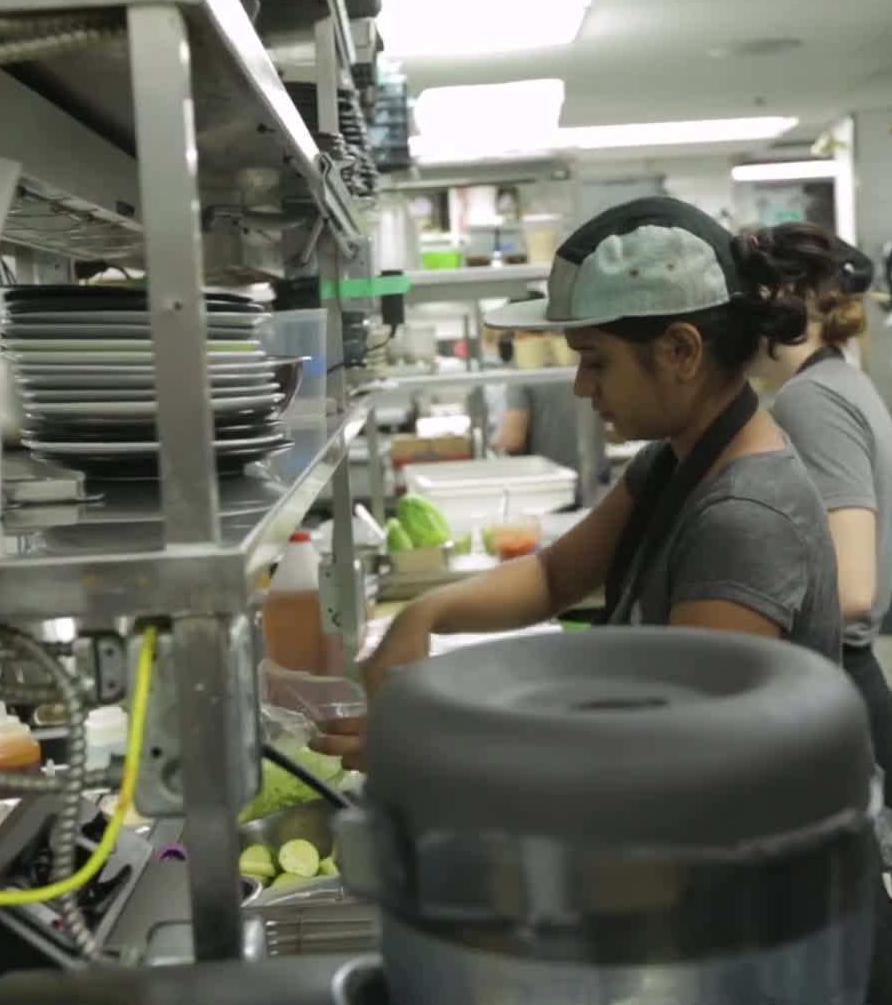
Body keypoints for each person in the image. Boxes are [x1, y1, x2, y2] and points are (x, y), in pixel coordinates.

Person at [316, 195, 844, 733]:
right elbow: (553, 576)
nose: (581, 385)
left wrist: (437, 749)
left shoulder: (746, 517)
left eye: (596, 360)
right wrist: (423, 614)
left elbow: (686, 746)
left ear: (682, 352)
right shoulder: (671, 464)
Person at [737, 223, 892, 1005]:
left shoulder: (812, 402)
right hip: (853, 691)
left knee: (859, 956)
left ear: (776, 305)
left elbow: (849, 586)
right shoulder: (838, 383)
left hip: (839, 691)